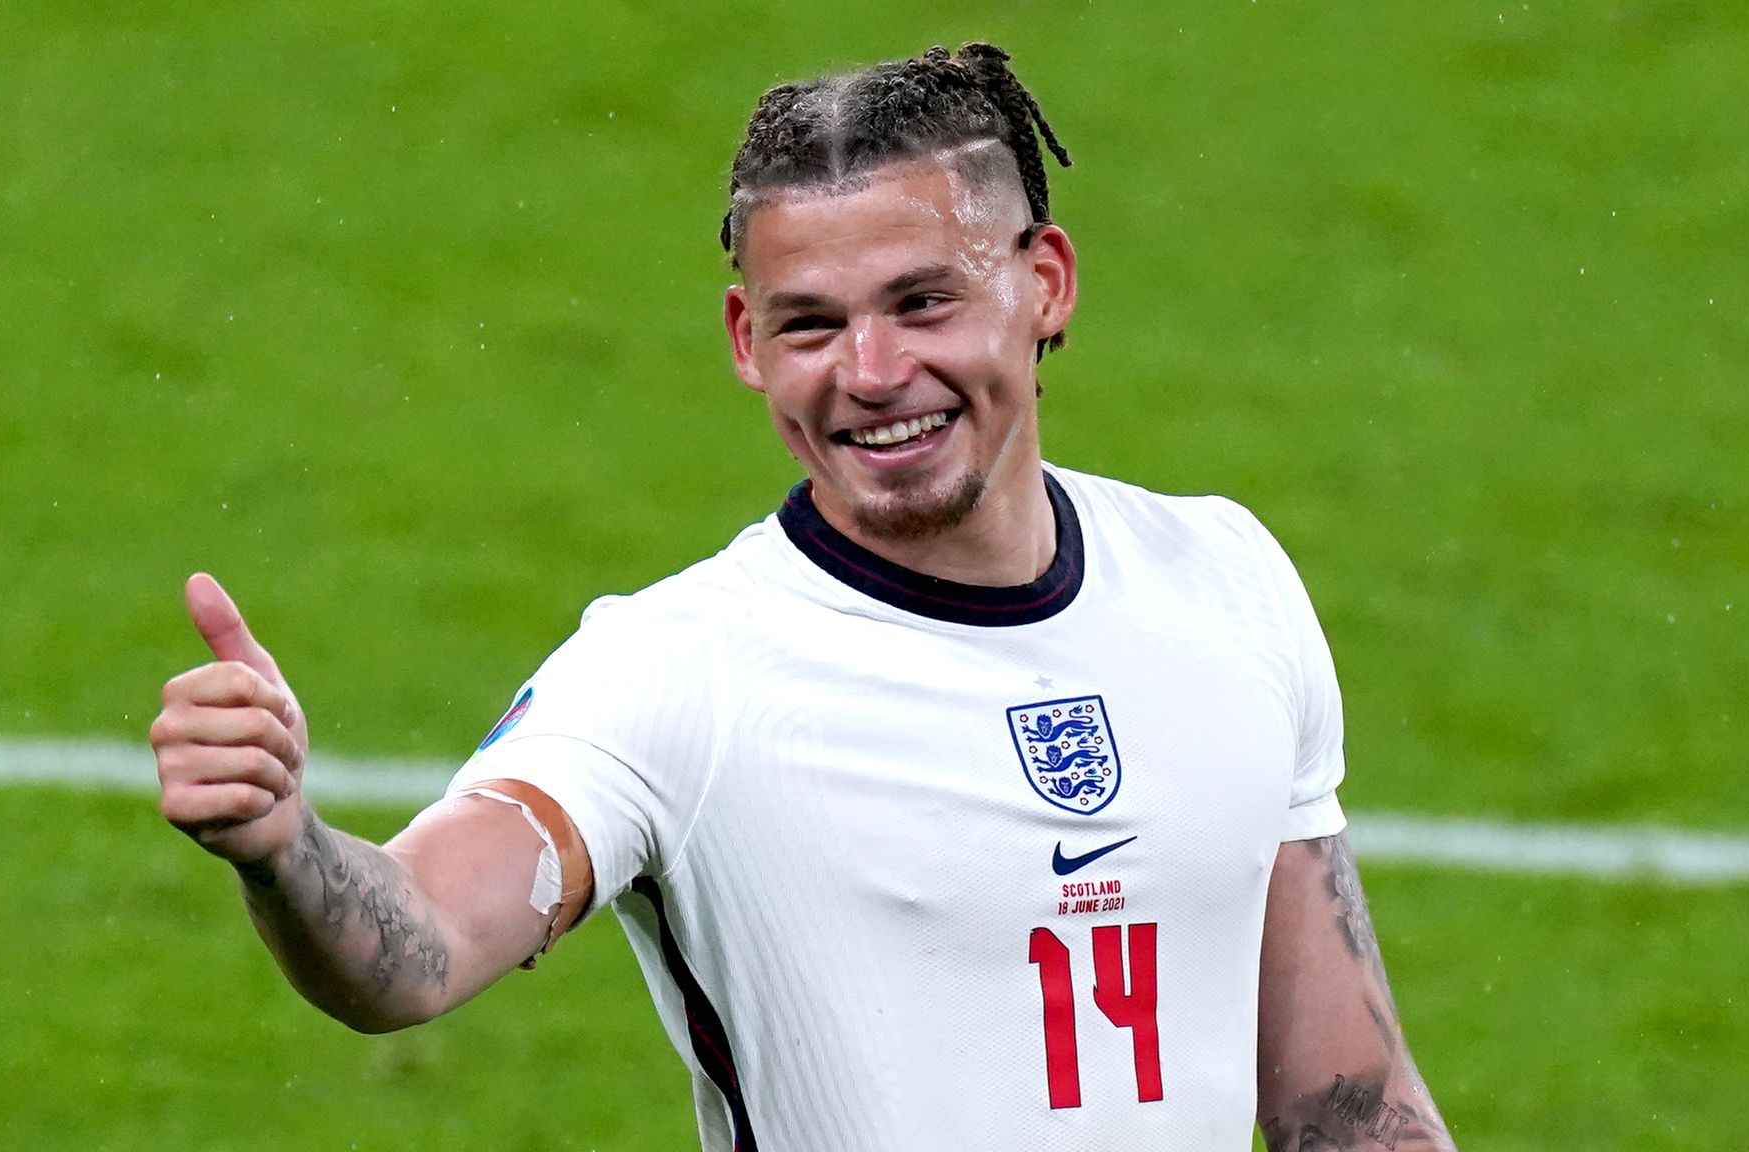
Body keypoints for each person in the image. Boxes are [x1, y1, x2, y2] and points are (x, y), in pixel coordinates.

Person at [149, 42, 1455, 1152]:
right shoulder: (683, 672)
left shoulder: (1223, 580)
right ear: (745, 342)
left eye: (922, 302)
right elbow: (416, 943)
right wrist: (287, 849)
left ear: (1043, 281)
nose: (874, 372)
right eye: (813, 324)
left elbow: (1348, 1106)